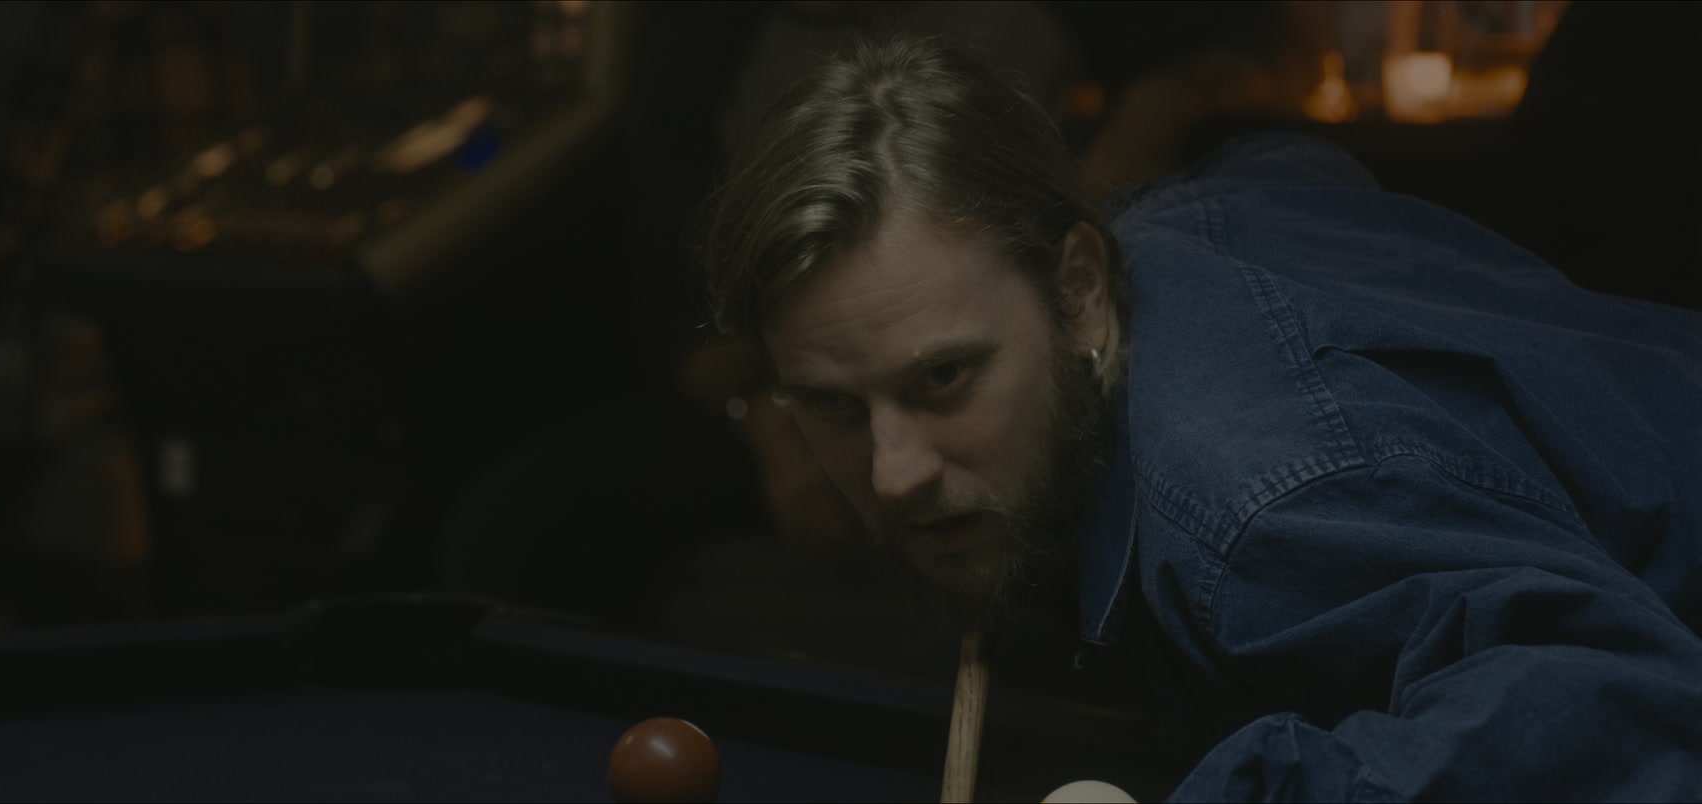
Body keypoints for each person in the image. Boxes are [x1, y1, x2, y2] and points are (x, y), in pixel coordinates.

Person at [697, 35, 1702, 801]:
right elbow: (1288, 163)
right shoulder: (1158, 238)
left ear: (1079, 292)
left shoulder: (1250, 511)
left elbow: (1630, 715)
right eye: (832, 405)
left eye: (944, 378)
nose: (891, 473)